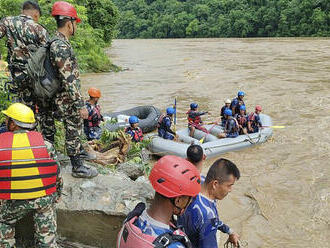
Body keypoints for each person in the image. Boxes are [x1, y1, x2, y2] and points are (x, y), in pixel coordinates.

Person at [38, 1, 98, 178]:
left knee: (52, 128)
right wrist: (80, 105)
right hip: (64, 97)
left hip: (53, 95)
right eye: (75, 23)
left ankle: (59, 158)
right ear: (69, 23)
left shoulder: (53, 40)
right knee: (74, 126)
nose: (75, 27)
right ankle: (77, 166)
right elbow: (69, 78)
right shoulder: (61, 46)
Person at [0, 103, 62, 248]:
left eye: (7, 119)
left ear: (14, 124)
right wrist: (57, 194)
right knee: (46, 222)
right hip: (42, 200)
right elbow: (56, 174)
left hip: (12, 201)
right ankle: (47, 243)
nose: (5, 122)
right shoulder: (45, 144)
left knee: (3, 221)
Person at [117, 155, 201, 248]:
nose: (189, 202)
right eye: (189, 199)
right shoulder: (174, 245)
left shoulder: (132, 220)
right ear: (178, 200)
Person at [178, 158, 241, 248]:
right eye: (229, 185)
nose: (230, 190)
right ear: (215, 184)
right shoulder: (208, 218)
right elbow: (210, 221)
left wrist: (229, 231)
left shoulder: (199, 182)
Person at [0, 1, 49, 108]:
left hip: (15, 75)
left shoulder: (7, 22)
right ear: (36, 13)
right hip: (33, 77)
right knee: (32, 107)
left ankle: (15, 122)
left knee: (15, 105)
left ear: (22, 11)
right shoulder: (40, 29)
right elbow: (47, 56)